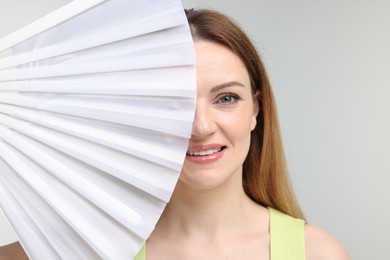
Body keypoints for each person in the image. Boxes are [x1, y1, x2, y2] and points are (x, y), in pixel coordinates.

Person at [0, 8, 349, 260]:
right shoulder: (91, 247)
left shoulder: (317, 253)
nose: (201, 126)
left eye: (226, 98)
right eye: (174, 102)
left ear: (256, 110)